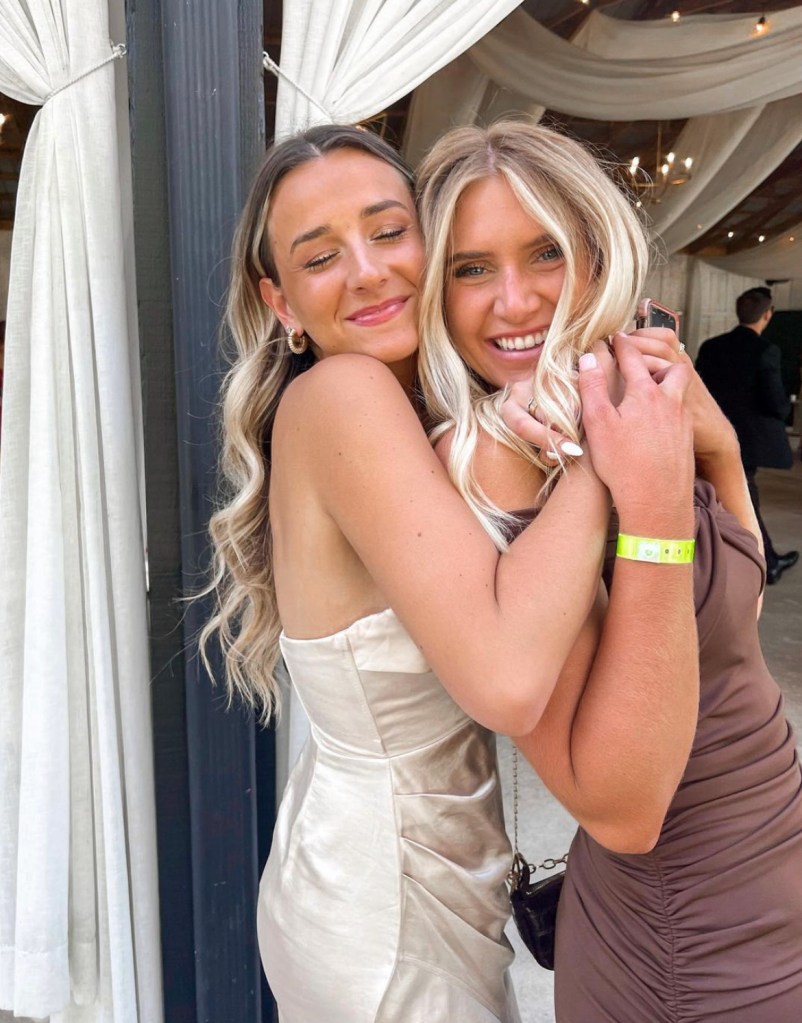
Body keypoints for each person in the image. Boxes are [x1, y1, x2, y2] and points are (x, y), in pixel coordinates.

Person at [201, 124, 697, 1023]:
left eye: (389, 232)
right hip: (385, 910)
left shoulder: (419, 410)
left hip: (402, 870)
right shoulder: (344, 395)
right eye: (321, 256)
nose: (368, 271)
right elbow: (506, 680)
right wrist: (607, 441)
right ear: (280, 302)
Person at [416, 119, 802, 1023]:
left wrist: (717, 451)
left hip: (777, 849)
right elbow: (623, 808)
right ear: (436, 290)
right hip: (688, 930)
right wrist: (644, 496)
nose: (514, 301)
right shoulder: (494, 458)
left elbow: (739, 616)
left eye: (545, 252)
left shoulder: (639, 389)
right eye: (471, 268)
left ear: (596, 255)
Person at [696, 287, 798, 584]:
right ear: (767, 315)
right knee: (743, 498)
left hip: (712, 432)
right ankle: (767, 562)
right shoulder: (766, 350)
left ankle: (759, 558)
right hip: (748, 440)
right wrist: (785, 407)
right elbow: (774, 401)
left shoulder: (711, 346)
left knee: (721, 495)